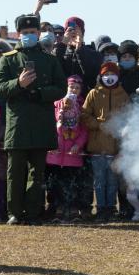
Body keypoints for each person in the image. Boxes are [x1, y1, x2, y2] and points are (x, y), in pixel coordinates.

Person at [0, 14, 66, 225]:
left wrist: (40, 93)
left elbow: (61, 88)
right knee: (15, 172)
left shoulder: (50, 60)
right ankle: (15, 212)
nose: (28, 36)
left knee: (37, 173)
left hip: (41, 123)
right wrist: (18, 83)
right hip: (17, 125)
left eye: (32, 33)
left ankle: (34, 212)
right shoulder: (8, 59)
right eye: (24, 33)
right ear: (19, 34)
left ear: (38, 33)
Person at [82, 61, 130, 221]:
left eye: (113, 75)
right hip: (97, 147)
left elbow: (129, 118)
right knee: (99, 180)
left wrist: (120, 129)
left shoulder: (123, 95)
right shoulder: (93, 94)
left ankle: (111, 208)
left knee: (112, 181)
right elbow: (84, 115)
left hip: (115, 148)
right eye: (106, 75)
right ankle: (100, 208)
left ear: (118, 77)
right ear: (101, 76)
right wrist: (98, 125)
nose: (109, 78)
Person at [46, 76, 89, 222]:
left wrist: (78, 144)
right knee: (55, 182)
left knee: (72, 182)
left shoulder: (83, 106)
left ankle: (72, 209)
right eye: (72, 87)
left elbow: (84, 130)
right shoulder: (57, 104)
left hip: (73, 153)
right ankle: (57, 208)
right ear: (67, 88)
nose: (74, 90)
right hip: (56, 152)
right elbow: (51, 125)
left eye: (77, 88)